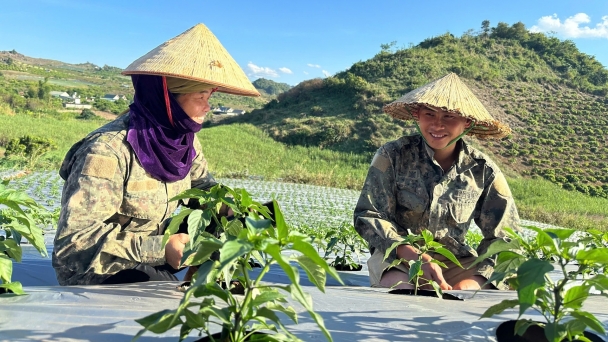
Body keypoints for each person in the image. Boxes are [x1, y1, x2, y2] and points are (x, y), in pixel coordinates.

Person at [52, 24, 260, 286]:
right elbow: (74, 244)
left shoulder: (183, 140)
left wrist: (231, 205)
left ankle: (209, 279)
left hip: (152, 250)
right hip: (99, 269)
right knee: (157, 287)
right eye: (200, 96)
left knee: (221, 221)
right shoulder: (107, 151)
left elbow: (202, 187)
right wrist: (160, 247)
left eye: (210, 97)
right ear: (167, 99)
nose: (208, 107)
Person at [353, 73, 519, 291]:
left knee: (470, 296)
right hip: (399, 255)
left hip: (455, 260)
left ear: (467, 122)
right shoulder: (392, 156)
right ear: (417, 115)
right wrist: (413, 256)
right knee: (398, 290)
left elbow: (505, 237)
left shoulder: (483, 171)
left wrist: (472, 284)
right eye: (429, 114)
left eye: (450, 116)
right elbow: (369, 215)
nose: (437, 125)